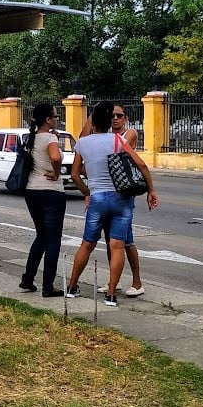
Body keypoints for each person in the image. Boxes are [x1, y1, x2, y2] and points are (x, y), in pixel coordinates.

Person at [65, 101, 159, 306]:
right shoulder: (117, 140)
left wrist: (87, 192)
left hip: (97, 199)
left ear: (92, 121)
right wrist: (151, 190)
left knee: (87, 244)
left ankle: (72, 287)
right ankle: (111, 294)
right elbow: (140, 164)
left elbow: (75, 175)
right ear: (109, 121)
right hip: (120, 199)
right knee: (117, 246)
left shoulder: (82, 144)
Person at [79, 104, 145, 296]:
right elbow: (83, 140)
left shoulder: (128, 135)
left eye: (119, 115)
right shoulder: (107, 137)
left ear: (126, 118)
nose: (115, 118)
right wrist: (93, 115)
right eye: (112, 115)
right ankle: (113, 282)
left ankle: (137, 282)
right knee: (111, 241)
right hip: (107, 194)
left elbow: (111, 156)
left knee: (126, 241)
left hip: (123, 195)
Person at [19, 102, 66, 297]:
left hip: (32, 190)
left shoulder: (31, 138)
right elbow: (55, 158)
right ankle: (48, 286)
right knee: (53, 240)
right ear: (47, 120)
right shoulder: (49, 138)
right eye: (55, 116)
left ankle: (28, 278)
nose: (57, 119)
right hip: (51, 192)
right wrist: (56, 173)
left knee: (41, 236)